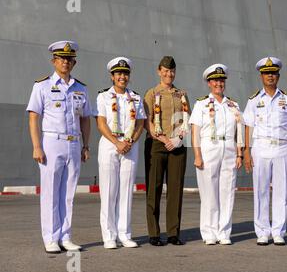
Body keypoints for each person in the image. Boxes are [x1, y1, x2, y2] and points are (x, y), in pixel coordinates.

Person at [26, 40, 91, 253]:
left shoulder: (81, 88)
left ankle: (65, 236)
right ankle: (50, 237)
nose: (65, 62)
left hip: (73, 143)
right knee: (51, 192)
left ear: (75, 62)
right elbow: (34, 117)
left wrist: (85, 145)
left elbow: (85, 119)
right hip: (52, 142)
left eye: (69, 59)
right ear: (54, 61)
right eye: (62, 58)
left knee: (68, 193)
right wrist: (37, 146)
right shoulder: (42, 86)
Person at [243, 57, 287, 246]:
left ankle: (278, 231)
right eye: (267, 73)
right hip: (260, 147)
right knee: (260, 191)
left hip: (282, 147)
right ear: (261, 76)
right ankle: (262, 232)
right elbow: (248, 126)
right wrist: (246, 151)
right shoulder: (253, 100)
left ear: (278, 75)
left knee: (281, 192)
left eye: (273, 73)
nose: (270, 76)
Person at [94, 57, 146, 249]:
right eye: (118, 74)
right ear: (112, 76)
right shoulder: (103, 97)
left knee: (126, 192)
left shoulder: (136, 98)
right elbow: (100, 122)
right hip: (110, 144)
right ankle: (109, 235)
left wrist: (130, 141)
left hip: (130, 146)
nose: (122, 77)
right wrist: (117, 142)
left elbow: (140, 123)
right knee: (108, 191)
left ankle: (124, 233)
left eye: (125, 73)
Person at [189, 64, 244, 246]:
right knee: (209, 192)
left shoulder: (233, 105)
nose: (219, 83)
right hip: (208, 147)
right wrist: (197, 155)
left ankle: (224, 231)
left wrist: (239, 154)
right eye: (215, 80)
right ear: (209, 83)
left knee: (227, 191)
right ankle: (209, 231)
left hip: (228, 147)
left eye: (222, 80)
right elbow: (195, 131)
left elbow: (239, 132)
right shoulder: (202, 104)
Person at [143, 56, 191, 246]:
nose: (168, 74)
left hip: (177, 145)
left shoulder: (182, 94)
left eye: (171, 71)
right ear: (158, 71)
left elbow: (187, 119)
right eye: (165, 70)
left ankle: (173, 233)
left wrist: (177, 139)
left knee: (175, 189)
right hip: (156, 144)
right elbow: (147, 120)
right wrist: (163, 139)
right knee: (153, 189)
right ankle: (154, 233)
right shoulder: (151, 93)